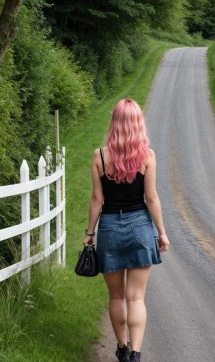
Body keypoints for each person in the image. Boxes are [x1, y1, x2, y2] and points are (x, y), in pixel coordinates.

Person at [84, 98, 170, 362]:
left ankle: (121, 347)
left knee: (116, 297)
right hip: (140, 228)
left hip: (109, 228)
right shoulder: (147, 156)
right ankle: (135, 353)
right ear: (136, 123)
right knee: (136, 298)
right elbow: (152, 198)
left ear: (114, 123)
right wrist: (162, 233)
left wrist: (89, 234)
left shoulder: (99, 157)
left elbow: (97, 200)